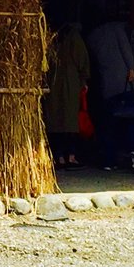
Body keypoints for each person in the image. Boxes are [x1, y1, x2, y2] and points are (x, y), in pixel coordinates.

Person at [85, 1, 134, 172]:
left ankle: (108, 160)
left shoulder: (91, 37)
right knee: (133, 119)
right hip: (126, 83)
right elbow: (126, 50)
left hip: (107, 84)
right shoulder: (117, 29)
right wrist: (132, 69)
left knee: (108, 124)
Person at [44, 21, 89, 168]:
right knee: (70, 121)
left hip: (53, 82)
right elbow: (83, 62)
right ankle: (71, 156)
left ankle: (59, 157)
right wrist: (84, 80)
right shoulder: (74, 37)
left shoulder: (50, 36)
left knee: (55, 120)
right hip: (71, 83)